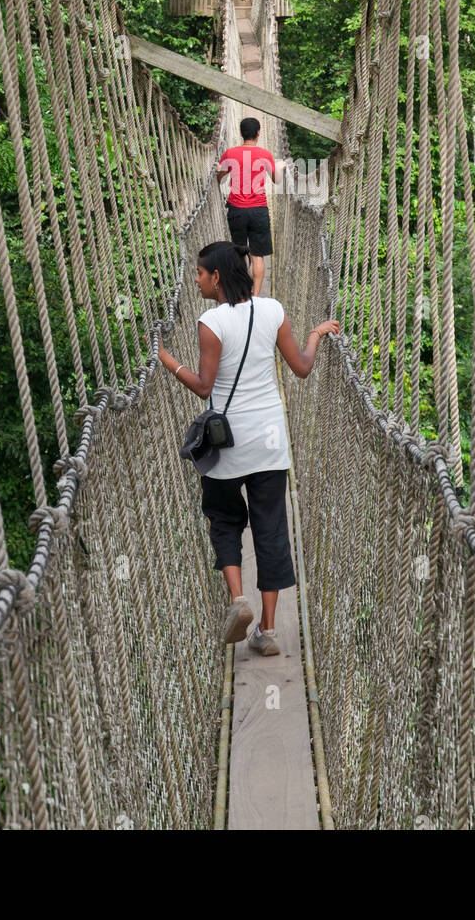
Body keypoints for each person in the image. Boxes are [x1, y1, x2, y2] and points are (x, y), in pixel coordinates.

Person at [156, 241, 340, 654]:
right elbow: (302, 368)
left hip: (226, 445)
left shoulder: (210, 321)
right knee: (271, 527)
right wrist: (314, 334)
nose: (197, 279)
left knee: (223, 519)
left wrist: (168, 361)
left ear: (216, 277)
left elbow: (204, 385)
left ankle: (239, 600)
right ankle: (269, 631)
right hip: (270, 441)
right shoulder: (272, 309)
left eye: (201, 273)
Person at [216, 118, 285, 297]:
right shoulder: (265, 154)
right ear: (259, 133)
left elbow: (220, 178)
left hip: (236, 210)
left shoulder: (230, 153)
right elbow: (277, 180)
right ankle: (255, 296)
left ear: (240, 133)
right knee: (257, 255)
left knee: (239, 253)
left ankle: (240, 292)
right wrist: (279, 167)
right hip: (258, 210)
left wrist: (219, 169)